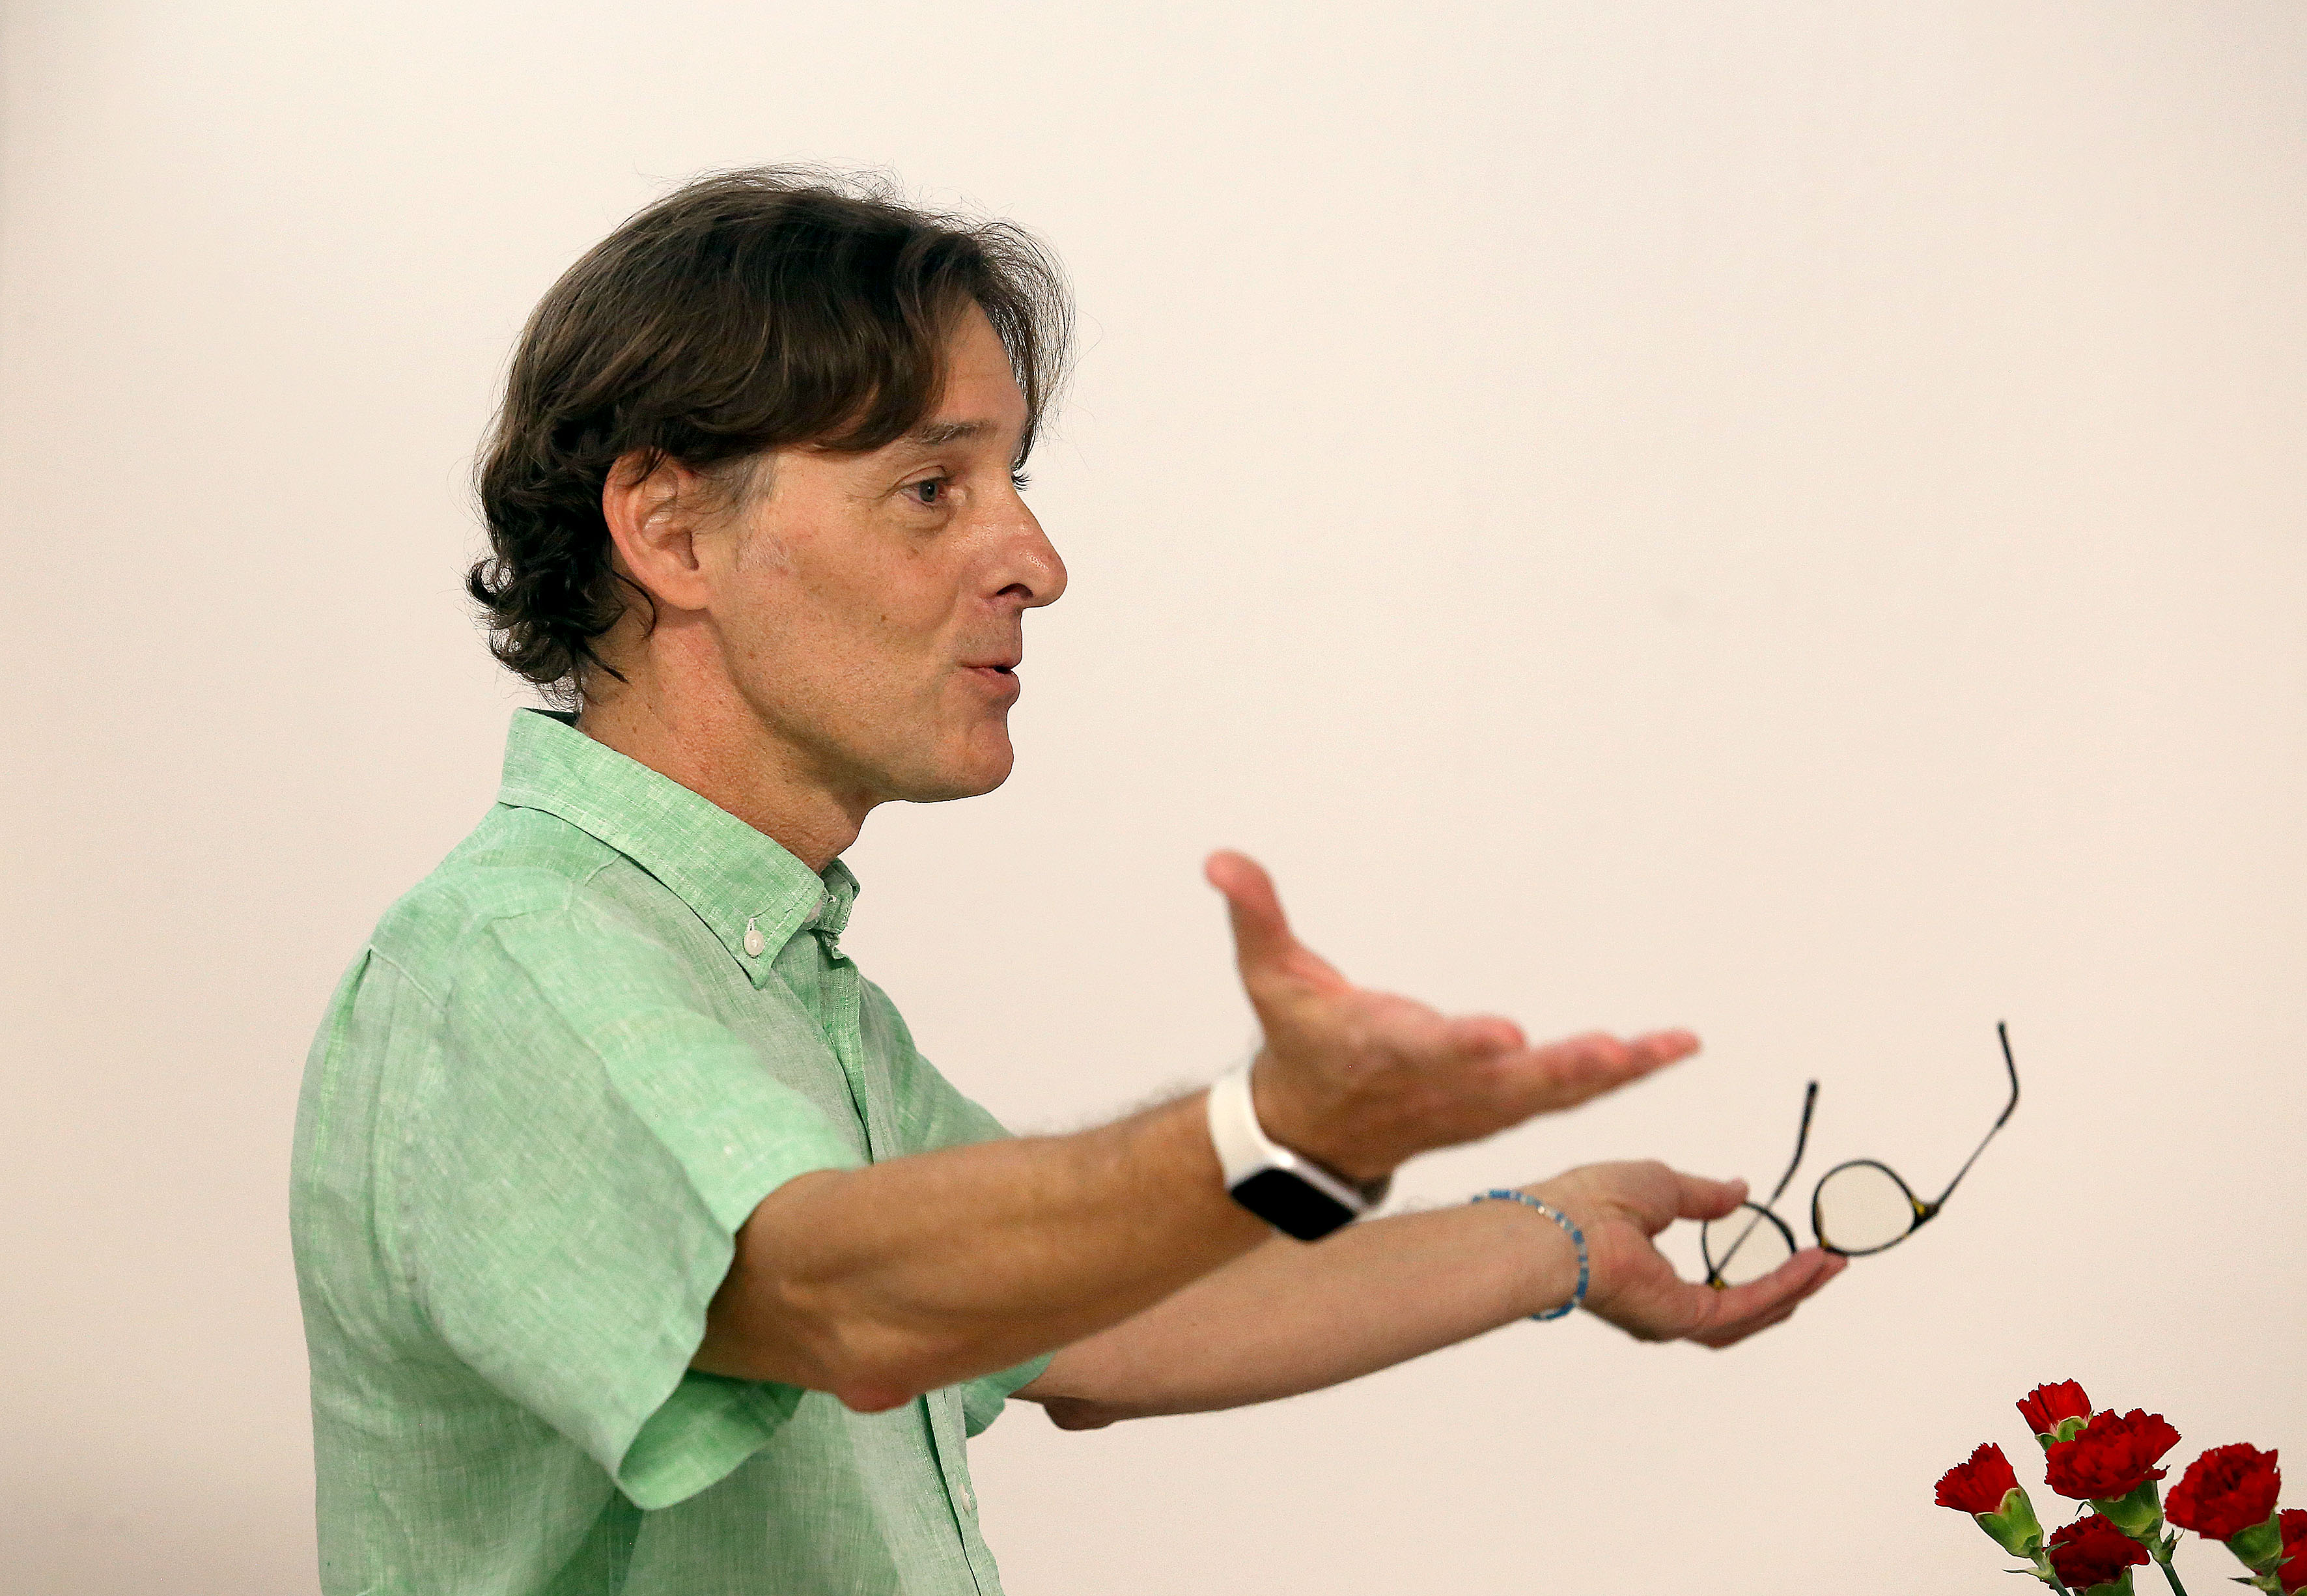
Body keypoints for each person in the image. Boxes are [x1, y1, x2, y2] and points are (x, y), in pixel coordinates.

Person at [289, 164, 1845, 1596]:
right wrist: (1274, 1128)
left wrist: (1552, 1234)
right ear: (668, 528)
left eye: (1011, 478)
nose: (1035, 560)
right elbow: (856, 1302)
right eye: (930, 487)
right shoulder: (517, 964)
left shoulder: (777, 987)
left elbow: (1099, 1308)